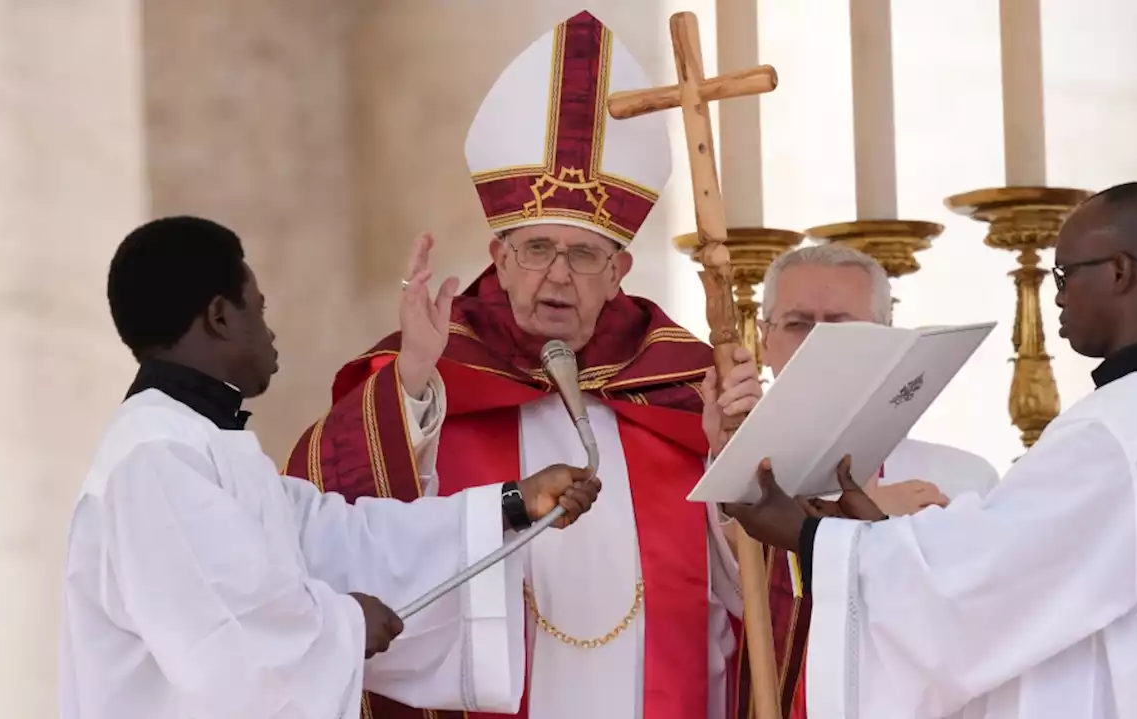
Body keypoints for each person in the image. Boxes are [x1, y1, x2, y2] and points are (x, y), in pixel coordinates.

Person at [284, 11, 780, 719]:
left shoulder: (679, 388)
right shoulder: (431, 372)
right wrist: (414, 387)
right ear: (499, 259)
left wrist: (732, 461)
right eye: (536, 248)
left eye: (582, 255)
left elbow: (756, 593)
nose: (557, 276)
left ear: (619, 272)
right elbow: (327, 530)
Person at [724, 182, 1137, 718]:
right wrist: (876, 528)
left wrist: (807, 535)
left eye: (1064, 274)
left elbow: (977, 591)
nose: (1056, 295)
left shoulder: (1115, 435)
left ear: (1118, 272)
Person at [59, 216, 602, 719]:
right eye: (259, 309)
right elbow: (234, 643)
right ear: (221, 317)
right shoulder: (156, 457)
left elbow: (340, 541)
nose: (270, 334)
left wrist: (514, 503)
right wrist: (347, 624)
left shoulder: (202, 444)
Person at [760, 243, 999, 515]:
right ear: (764, 341)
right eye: (797, 324)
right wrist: (862, 518)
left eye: (840, 326)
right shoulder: (728, 478)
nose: (816, 343)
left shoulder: (966, 483)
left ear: (888, 342)